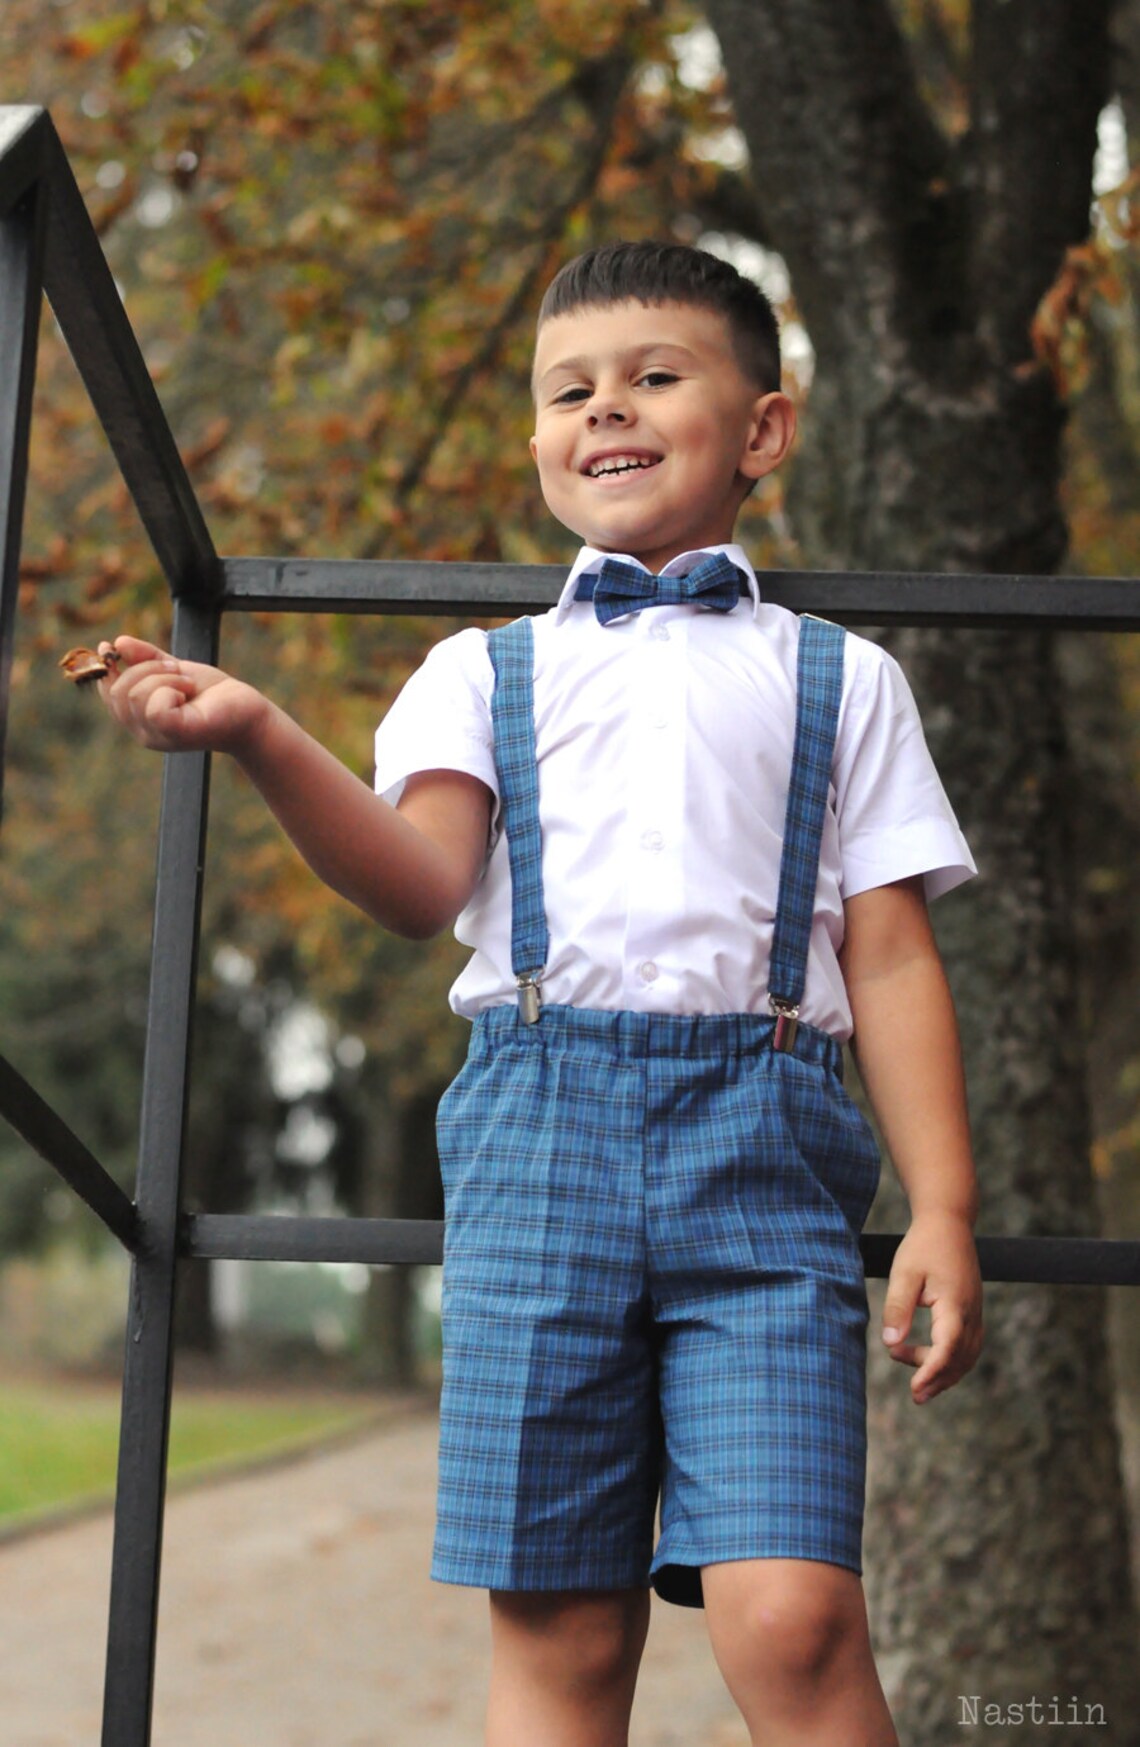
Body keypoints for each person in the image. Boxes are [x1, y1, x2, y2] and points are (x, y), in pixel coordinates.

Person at [95, 240, 983, 1747]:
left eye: (654, 376)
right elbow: (418, 888)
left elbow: (888, 953)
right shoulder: (478, 672)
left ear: (763, 428)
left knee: (799, 1616)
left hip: (768, 1167)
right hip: (536, 1150)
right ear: (536, 443)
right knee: (564, 1635)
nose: (607, 410)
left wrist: (946, 1208)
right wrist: (261, 736)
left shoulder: (841, 677)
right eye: (569, 390)